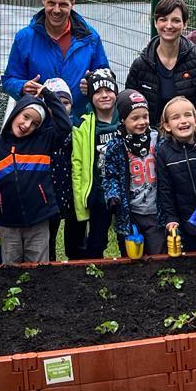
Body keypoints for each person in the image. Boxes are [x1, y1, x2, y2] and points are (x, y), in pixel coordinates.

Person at [0, 87, 72, 264]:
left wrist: (47, 94)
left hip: (39, 221)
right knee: (10, 270)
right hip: (9, 223)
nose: (27, 125)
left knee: (39, 270)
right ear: (16, 112)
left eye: (35, 123)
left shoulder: (43, 142)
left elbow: (65, 125)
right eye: (25, 117)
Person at [1, 0, 110, 119]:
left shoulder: (90, 37)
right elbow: (9, 79)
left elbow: (105, 75)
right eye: (51, 3)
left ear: (73, 3)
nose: (56, 10)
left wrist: (94, 85)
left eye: (63, 4)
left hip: (79, 124)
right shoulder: (25, 38)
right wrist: (22, 87)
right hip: (39, 124)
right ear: (43, 0)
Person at [126, 0, 196, 131]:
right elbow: (129, 107)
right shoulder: (141, 65)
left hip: (191, 142)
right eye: (163, 20)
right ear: (155, 23)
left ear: (185, 24)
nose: (169, 26)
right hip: (151, 143)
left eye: (175, 20)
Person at [102, 90, 163, 255]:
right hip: (130, 212)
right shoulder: (116, 146)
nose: (142, 122)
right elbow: (110, 175)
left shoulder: (158, 140)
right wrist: (113, 196)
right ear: (123, 119)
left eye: (145, 116)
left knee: (158, 252)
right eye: (135, 118)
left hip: (155, 210)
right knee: (132, 255)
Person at [70, 69, 120, 260]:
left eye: (108, 90)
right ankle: (93, 268)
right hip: (99, 192)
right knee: (97, 238)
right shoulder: (84, 127)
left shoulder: (126, 120)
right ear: (90, 96)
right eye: (98, 91)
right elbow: (78, 164)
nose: (104, 95)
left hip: (125, 190)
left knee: (127, 234)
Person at [156, 96, 196, 252]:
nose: (183, 120)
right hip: (186, 215)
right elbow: (165, 188)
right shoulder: (164, 152)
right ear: (167, 126)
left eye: (188, 115)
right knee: (192, 255)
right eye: (176, 117)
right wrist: (171, 217)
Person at [43, 77, 74, 261]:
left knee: (66, 233)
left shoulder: (70, 129)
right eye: (55, 103)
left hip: (65, 190)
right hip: (47, 193)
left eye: (65, 103)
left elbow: (65, 124)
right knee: (48, 237)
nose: (60, 107)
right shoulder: (42, 131)